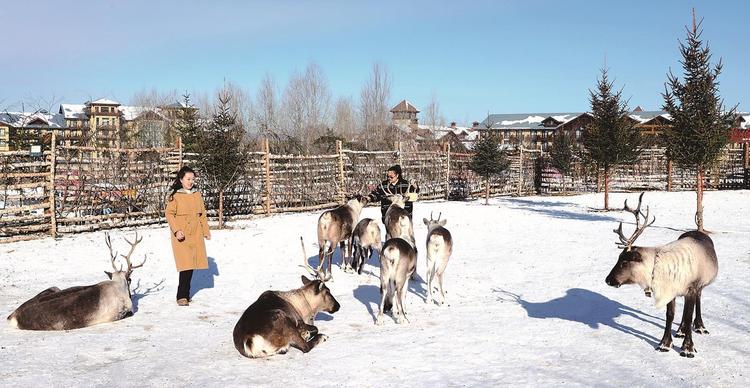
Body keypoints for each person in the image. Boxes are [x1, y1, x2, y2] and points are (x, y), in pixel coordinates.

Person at [165, 166, 211, 306]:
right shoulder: (175, 196)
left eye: (192, 179)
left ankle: (186, 292)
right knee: (185, 264)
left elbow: (202, 214)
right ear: (181, 179)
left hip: (195, 233)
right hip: (182, 234)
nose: (190, 182)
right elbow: (169, 214)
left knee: (191, 264)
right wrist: (176, 230)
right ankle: (182, 296)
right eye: (188, 179)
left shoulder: (197, 194)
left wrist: (206, 231)